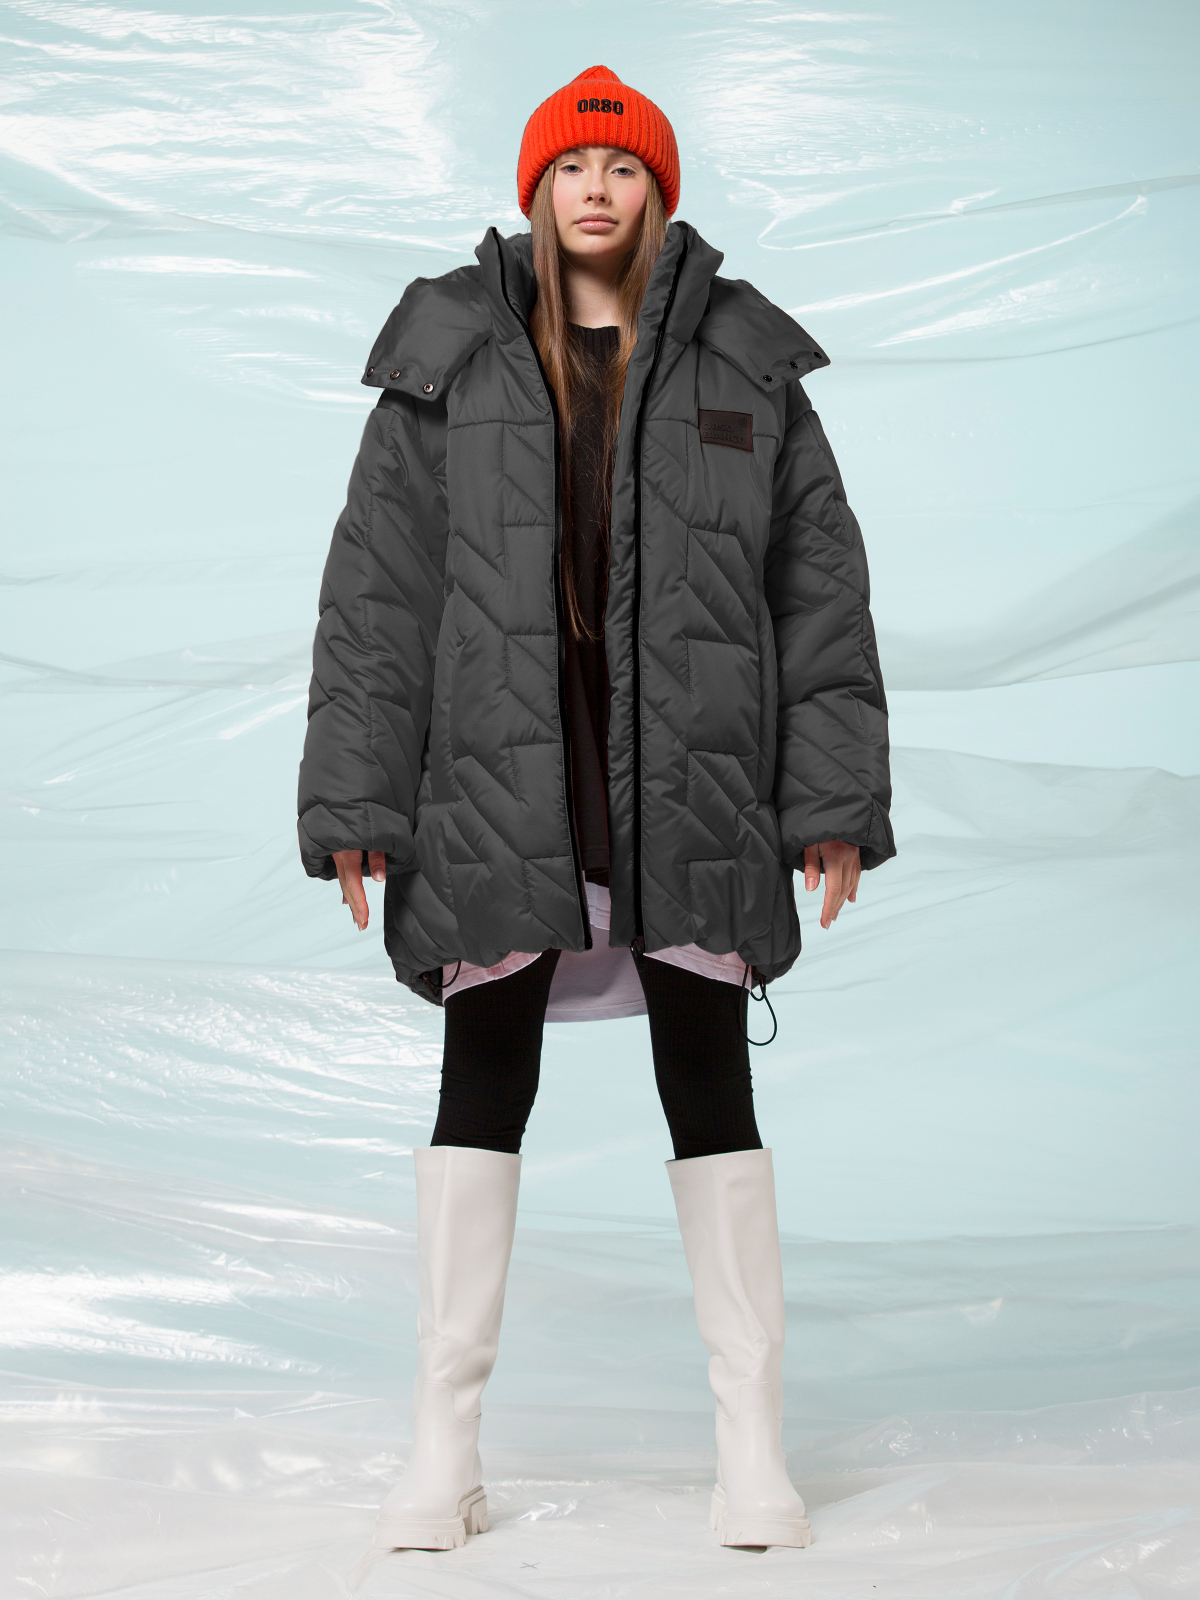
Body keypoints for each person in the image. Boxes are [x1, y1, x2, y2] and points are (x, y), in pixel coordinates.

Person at [297, 65, 894, 1555]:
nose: (597, 190)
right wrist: (359, 797)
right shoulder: (450, 356)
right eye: (572, 167)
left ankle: (751, 1448)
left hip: (692, 774)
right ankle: (442, 1448)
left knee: (711, 1082)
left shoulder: (743, 363)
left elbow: (818, 595)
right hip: (506, 767)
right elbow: (378, 597)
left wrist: (829, 799)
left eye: (625, 170)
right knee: (482, 1079)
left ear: (659, 194)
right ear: (536, 189)